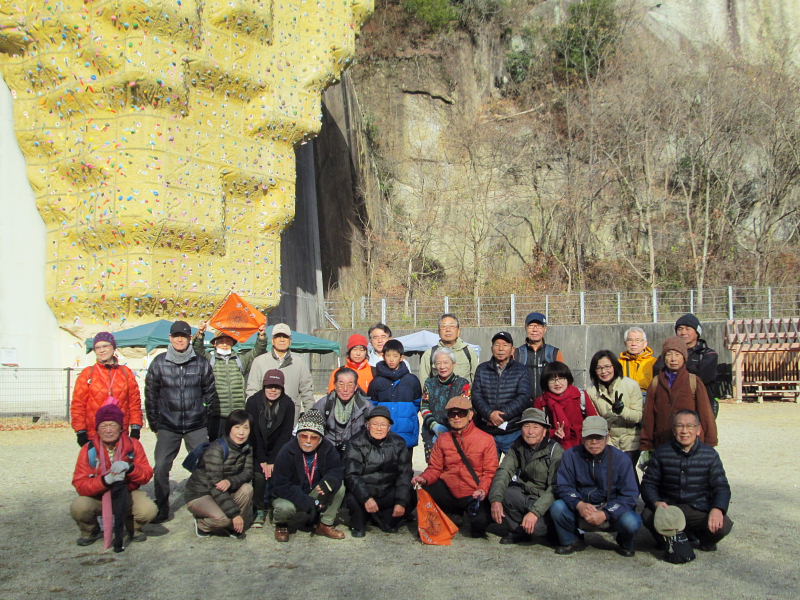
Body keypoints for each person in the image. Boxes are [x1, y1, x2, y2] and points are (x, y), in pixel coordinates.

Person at [145, 320, 217, 523]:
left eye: (183, 336)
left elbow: (210, 394)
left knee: (205, 466)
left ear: (189, 338)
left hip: (196, 425)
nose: (179, 339)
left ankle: (204, 506)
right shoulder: (159, 363)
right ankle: (162, 507)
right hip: (168, 425)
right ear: (170, 338)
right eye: (176, 336)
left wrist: (204, 418)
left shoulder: (201, 363)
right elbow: (150, 395)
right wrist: (155, 423)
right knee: (161, 467)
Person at [642, 410, 733, 555]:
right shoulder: (662, 452)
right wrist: (656, 502)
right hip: (670, 507)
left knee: (723, 524)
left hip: (698, 508)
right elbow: (648, 483)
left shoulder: (710, 455)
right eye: (680, 426)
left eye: (690, 426)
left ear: (698, 430)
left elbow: (721, 487)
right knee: (647, 515)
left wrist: (718, 509)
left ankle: (705, 541)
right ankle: (666, 540)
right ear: (674, 430)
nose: (684, 431)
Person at [551, 416, 642, 556]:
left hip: (611, 509)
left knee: (632, 521)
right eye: (589, 437)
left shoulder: (622, 459)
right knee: (558, 507)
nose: (594, 442)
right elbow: (563, 486)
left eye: (599, 437)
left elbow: (630, 494)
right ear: (582, 438)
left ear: (607, 438)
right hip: (582, 508)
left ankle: (625, 542)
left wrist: (606, 513)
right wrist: (579, 504)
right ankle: (571, 540)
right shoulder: (570, 456)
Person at [70, 404, 157, 551]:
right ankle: (90, 530)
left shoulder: (133, 445)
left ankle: (133, 528)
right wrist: (105, 480)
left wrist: (130, 468)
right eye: (103, 426)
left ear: (121, 428)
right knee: (80, 506)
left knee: (148, 509)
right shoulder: (89, 449)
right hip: (99, 496)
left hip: (127, 493)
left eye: (112, 425)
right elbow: (80, 484)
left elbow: (146, 474)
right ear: (97, 429)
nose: (108, 430)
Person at [411, 395, 499, 538]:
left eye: (461, 413)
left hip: (474, 493)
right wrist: (424, 478)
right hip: (450, 490)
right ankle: (453, 513)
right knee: (428, 486)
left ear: (470, 415)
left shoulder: (486, 440)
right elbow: (435, 468)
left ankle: (467, 515)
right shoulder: (443, 439)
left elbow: (490, 472)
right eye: (452, 414)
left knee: (479, 527)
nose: (456, 417)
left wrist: (482, 489)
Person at [489, 407, 563, 545]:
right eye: (526, 426)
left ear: (544, 431)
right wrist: (495, 499)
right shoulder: (518, 446)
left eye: (536, 427)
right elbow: (504, 471)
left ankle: (550, 530)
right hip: (525, 494)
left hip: (544, 500)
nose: (530, 431)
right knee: (505, 492)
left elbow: (555, 487)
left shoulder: (555, 451)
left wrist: (535, 512)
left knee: (537, 530)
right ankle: (517, 531)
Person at [271, 409, 346, 541]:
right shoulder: (286, 451)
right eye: (304, 436)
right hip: (289, 494)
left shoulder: (327, 448)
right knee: (284, 508)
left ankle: (325, 524)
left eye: (314, 437)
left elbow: (336, 469)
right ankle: (281, 525)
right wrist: (307, 502)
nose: (308, 441)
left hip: (314, 490)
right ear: (298, 436)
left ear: (320, 439)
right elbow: (281, 485)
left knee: (339, 487)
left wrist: (329, 481)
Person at [344, 406, 413, 538]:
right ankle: (361, 520)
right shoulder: (355, 442)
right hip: (365, 492)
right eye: (375, 424)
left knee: (408, 498)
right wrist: (366, 498)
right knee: (353, 500)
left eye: (383, 425)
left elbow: (404, 474)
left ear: (389, 427)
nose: (379, 428)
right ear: (367, 425)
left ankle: (381, 517)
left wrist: (401, 502)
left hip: (387, 491)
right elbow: (352, 475)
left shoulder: (399, 443)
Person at [184, 409, 254, 539]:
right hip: (201, 493)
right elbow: (215, 486)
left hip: (224, 490)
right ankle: (202, 524)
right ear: (229, 428)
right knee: (224, 519)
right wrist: (235, 514)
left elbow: (248, 472)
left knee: (247, 489)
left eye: (246, 428)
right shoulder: (216, 449)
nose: (241, 432)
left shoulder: (247, 447)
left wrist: (230, 481)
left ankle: (233, 528)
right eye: (237, 427)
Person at [640, 336, 718, 452]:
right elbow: (649, 417)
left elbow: (705, 414)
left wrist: (710, 442)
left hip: (690, 444)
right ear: (664, 358)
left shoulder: (693, 381)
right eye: (669, 354)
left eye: (677, 354)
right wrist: (646, 444)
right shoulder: (656, 382)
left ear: (684, 358)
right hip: (663, 444)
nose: (673, 359)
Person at [193, 322, 268, 439]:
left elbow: (257, 351)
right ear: (214, 344)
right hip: (216, 415)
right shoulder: (210, 359)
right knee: (216, 445)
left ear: (232, 343)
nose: (224, 344)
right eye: (221, 341)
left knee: (237, 443)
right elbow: (198, 349)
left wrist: (261, 336)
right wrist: (201, 333)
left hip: (238, 413)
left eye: (228, 341)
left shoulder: (240, 360)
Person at [71, 332, 144, 447]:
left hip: (121, 433)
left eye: (105, 346)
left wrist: (135, 427)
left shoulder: (126, 372)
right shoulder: (87, 373)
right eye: (98, 347)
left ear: (113, 348)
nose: (102, 350)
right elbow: (78, 405)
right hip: (94, 434)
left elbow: (134, 403)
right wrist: (80, 431)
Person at [245, 369, 295, 528]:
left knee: (278, 473)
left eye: (277, 387)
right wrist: (262, 460)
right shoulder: (253, 402)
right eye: (269, 386)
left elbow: (286, 434)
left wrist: (273, 460)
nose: (273, 390)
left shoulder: (288, 404)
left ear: (282, 388)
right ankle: (259, 508)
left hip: (278, 449)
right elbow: (253, 433)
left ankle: (276, 505)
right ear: (264, 386)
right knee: (259, 475)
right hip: (257, 448)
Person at [471, 331, 531, 454]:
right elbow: (476, 395)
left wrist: (502, 416)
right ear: (491, 348)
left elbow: (524, 397)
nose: (500, 349)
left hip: (512, 431)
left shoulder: (521, 370)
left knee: (515, 465)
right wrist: (489, 414)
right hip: (486, 431)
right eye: (497, 345)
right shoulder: (482, 369)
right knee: (486, 466)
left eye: (505, 345)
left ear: (512, 349)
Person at [246, 323, 314, 424]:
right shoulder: (259, 361)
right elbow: (252, 391)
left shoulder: (299, 363)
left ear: (290, 341)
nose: (282, 340)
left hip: (290, 419)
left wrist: (311, 419)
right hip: (263, 419)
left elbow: (307, 393)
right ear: (273, 340)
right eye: (278, 336)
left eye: (285, 337)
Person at [586, 350, 643, 467]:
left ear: (615, 366)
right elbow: (595, 420)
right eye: (599, 368)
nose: (604, 371)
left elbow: (639, 417)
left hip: (631, 444)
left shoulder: (631, 385)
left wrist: (622, 411)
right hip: (608, 443)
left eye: (607, 367)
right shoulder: (591, 391)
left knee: (627, 473)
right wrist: (608, 444)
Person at [654, 314, 719, 415]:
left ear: (697, 332)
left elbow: (702, 378)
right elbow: (658, 371)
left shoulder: (708, 354)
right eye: (680, 329)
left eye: (688, 329)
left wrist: (674, 372)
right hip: (672, 404)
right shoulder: (668, 353)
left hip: (700, 406)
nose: (683, 332)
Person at [368, 339, 422, 451]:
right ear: (383, 356)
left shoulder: (412, 380)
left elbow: (417, 403)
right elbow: (372, 405)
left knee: (405, 461)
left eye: (395, 356)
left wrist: (406, 416)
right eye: (388, 355)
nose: (391, 359)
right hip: (384, 434)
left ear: (401, 357)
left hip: (406, 432)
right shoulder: (377, 382)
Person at [534, 361, 598, 451]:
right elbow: (536, 429)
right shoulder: (541, 402)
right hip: (554, 447)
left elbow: (594, 421)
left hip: (582, 446)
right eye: (552, 380)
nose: (557, 383)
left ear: (568, 379)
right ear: (546, 382)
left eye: (561, 378)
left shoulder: (580, 395)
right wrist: (553, 432)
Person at [421, 347, 470, 462]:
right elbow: (424, 407)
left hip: (457, 434)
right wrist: (434, 426)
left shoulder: (463, 384)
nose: (442, 366)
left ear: (453, 364)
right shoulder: (429, 383)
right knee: (434, 467)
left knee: (454, 468)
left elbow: (466, 409)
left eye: (446, 362)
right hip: (432, 433)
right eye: (438, 363)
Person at [314, 367, 374, 455]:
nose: (345, 389)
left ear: (356, 387)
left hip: (356, 451)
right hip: (329, 450)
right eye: (341, 384)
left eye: (350, 385)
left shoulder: (365, 406)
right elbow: (312, 429)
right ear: (335, 385)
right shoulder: (324, 403)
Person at [514, 312, 565, 401]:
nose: (535, 329)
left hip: (549, 404)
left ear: (545, 329)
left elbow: (563, 382)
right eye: (531, 326)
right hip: (523, 405)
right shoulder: (517, 353)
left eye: (539, 326)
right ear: (525, 328)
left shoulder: (554, 353)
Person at [418, 313, 477, 382]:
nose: (448, 330)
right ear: (439, 332)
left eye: (452, 326)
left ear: (458, 331)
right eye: (443, 327)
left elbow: (476, 380)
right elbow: (424, 382)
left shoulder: (469, 352)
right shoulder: (429, 354)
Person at [618, 326, 656, 396]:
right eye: (630, 340)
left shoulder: (654, 362)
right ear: (625, 343)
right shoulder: (618, 363)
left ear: (645, 343)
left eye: (637, 340)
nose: (633, 344)